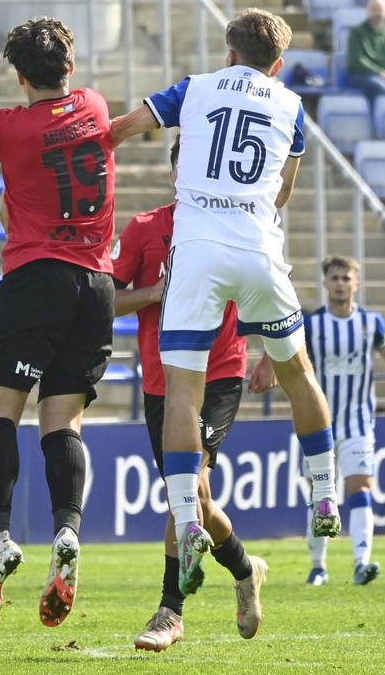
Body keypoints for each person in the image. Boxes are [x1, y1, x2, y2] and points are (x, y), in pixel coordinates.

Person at [110, 8, 344, 598]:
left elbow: (123, 128)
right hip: (257, 245)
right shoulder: (291, 107)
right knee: (298, 373)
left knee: (182, 390)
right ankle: (323, 490)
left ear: (229, 53)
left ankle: (188, 519)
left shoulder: (196, 89)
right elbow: (283, 192)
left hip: (197, 251)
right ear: (278, 64)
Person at [0, 17, 116, 628]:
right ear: (71, 66)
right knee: (62, 421)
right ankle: (68, 532)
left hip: (38, 279)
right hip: (98, 284)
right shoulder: (93, 104)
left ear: (19, 75)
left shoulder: (11, 127)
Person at [114, 141, 270, 652]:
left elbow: (262, 285)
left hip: (219, 372)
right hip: (161, 381)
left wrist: (271, 351)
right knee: (196, 498)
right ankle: (245, 570)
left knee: (186, 485)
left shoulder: (234, 224)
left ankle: (169, 612)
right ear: (174, 173)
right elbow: (108, 300)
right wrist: (154, 294)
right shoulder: (143, 228)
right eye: (185, 165)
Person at [300, 256, 385, 587]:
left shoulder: (372, 323)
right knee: (320, 495)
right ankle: (318, 566)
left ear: (356, 283)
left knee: (361, 489)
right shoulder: (312, 325)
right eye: (335, 277)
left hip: (358, 425)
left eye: (346, 277)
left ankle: (361, 563)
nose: (340, 283)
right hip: (319, 426)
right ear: (326, 283)